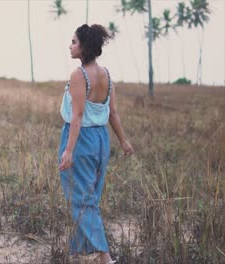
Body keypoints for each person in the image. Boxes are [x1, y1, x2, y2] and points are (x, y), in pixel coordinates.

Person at [58, 24, 134, 264]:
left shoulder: (79, 75)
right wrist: (122, 140)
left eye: (74, 42)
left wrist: (68, 150)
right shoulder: (106, 75)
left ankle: (105, 257)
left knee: (82, 198)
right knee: (90, 196)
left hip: (82, 140)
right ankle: (84, 251)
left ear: (84, 47)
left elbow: (77, 116)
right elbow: (113, 113)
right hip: (101, 140)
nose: (70, 46)